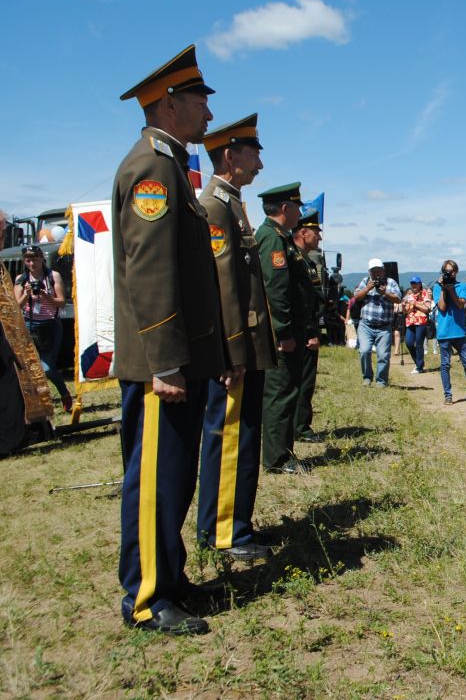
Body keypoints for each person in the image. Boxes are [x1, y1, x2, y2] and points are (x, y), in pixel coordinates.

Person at [113, 44, 224, 635]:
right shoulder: (154, 168)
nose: (209, 114)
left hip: (179, 359)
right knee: (156, 480)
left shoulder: (172, 165)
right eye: (200, 102)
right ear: (170, 103)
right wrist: (164, 361)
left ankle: (168, 576)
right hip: (164, 365)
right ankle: (148, 597)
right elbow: (150, 270)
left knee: (175, 478)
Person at [195, 113, 275, 562]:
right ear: (230, 155)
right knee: (229, 437)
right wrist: (230, 351)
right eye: (254, 153)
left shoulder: (231, 205)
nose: (260, 164)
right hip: (233, 350)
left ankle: (234, 522)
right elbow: (222, 286)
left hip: (245, 347)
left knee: (244, 437)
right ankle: (224, 531)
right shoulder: (215, 207)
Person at [256, 182, 310, 474]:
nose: (300, 212)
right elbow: (275, 290)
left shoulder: (281, 237)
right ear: (286, 208)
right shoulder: (272, 239)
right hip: (282, 334)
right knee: (280, 391)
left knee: (287, 389)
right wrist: (283, 332)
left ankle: (283, 451)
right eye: (298, 207)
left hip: (290, 330)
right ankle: (277, 458)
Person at [13, 245, 71, 411]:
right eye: (28, 260)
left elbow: (61, 302)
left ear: (41, 259)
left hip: (50, 325)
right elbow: (17, 306)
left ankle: (64, 393)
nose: (32, 264)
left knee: (47, 366)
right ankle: (40, 403)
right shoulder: (21, 279)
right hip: (29, 325)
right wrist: (26, 294)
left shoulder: (53, 276)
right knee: (29, 367)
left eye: (35, 259)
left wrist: (45, 294)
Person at [432, 259, 466, 405]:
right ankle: (448, 396)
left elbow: (459, 305)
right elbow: (442, 308)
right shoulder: (437, 287)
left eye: (452, 271)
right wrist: (444, 288)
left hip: (459, 332)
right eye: (447, 272)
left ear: (456, 271)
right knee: (445, 364)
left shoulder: (462, 286)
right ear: (443, 273)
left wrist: (451, 289)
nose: (450, 274)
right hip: (444, 332)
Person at [291, 209, 323, 443]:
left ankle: (301, 424)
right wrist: (311, 332)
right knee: (300, 382)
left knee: (306, 381)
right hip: (300, 332)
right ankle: (299, 427)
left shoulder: (306, 261)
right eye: (316, 232)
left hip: (307, 330)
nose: (320, 237)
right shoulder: (294, 260)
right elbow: (300, 302)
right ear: (303, 232)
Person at [353, 258, 401, 387]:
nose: (377, 274)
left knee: (383, 355)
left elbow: (398, 299)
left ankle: (381, 380)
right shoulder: (365, 281)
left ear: (383, 271)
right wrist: (367, 289)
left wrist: (384, 292)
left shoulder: (391, 283)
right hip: (366, 325)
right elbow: (356, 297)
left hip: (384, 326)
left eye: (379, 270)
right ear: (370, 272)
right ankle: (367, 377)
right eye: (374, 271)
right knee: (364, 351)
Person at [401, 277, 432, 373]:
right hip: (410, 322)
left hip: (421, 321)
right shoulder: (408, 296)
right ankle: (419, 362)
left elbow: (428, 308)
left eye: (415, 283)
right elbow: (405, 311)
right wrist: (403, 306)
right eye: (412, 283)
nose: (413, 285)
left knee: (419, 344)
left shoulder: (425, 294)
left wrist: (415, 304)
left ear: (419, 284)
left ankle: (419, 367)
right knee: (409, 343)